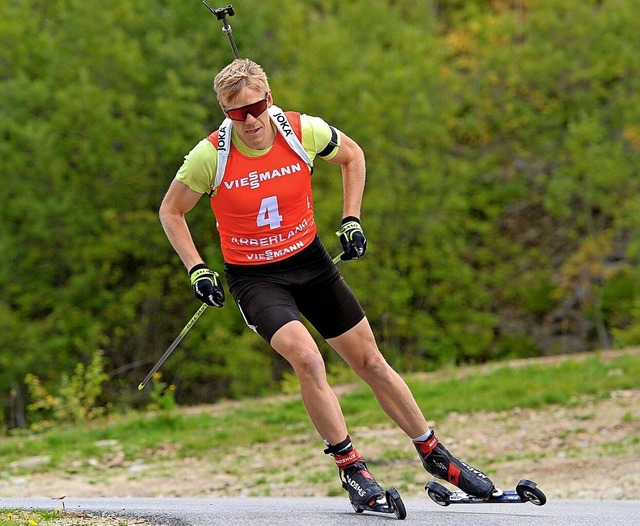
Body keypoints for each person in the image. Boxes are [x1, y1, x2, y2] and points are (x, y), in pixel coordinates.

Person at [159, 58, 496, 506]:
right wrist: (196, 268)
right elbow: (171, 211)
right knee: (307, 357)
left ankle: (434, 453)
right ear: (223, 110)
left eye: (256, 107)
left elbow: (353, 155)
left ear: (269, 99)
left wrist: (351, 219)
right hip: (257, 279)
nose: (250, 121)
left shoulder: (301, 131)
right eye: (235, 113)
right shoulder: (211, 156)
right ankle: (351, 469)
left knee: (370, 361)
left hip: (311, 263)